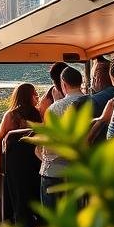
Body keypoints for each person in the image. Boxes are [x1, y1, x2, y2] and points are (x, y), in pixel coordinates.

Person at [37, 65, 89, 208]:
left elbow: (46, 144)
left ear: (63, 84)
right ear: (81, 82)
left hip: (53, 171)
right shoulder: (93, 102)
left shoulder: (54, 108)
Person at [0, 82, 42, 227]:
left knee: (18, 192)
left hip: (15, 161)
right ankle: (35, 223)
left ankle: (20, 224)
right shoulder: (38, 114)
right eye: (34, 93)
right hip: (34, 159)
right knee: (33, 190)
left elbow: (0, 137)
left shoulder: (11, 115)